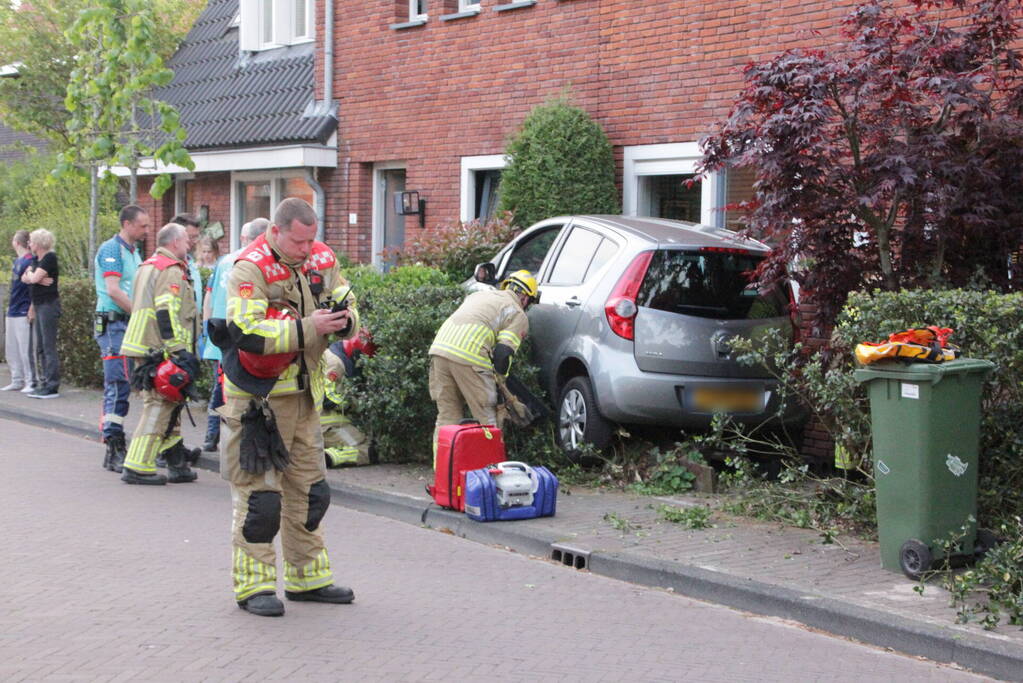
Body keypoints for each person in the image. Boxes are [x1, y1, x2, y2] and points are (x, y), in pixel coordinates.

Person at [215, 197, 357, 617]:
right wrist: (307, 328)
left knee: (311, 491)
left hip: (303, 397)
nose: (306, 249)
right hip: (258, 401)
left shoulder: (321, 257)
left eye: (311, 240)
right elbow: (246, 332)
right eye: (298, 241)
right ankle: (253, 587)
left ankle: (307, 578)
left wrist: (345, 321)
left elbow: (351, 302)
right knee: (261, 499)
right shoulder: (249, 268)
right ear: (275, 232)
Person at [427, 270, 538, 463]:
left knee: (447, 418)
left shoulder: (479, 295)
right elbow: (503, 353)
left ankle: (443, 475)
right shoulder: (518, 313)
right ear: (525, 297)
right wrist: (500, 382)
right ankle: (491, 472)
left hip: (439, 351)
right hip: (470, 356)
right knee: (488, 421)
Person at [119, 223, 200, 485]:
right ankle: (137, 464)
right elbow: (166, 312)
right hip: (159, 348)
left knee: (171, 405)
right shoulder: (170, 270)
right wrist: (178, 350)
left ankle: (177, 463)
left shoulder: (148, 266)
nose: (190, 245)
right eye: (187, 241)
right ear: (175, 242)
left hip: (145, 344)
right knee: (158, 406)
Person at [200, 218, 268, 452]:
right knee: (237, 389)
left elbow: (209, 297)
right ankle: (231, 439)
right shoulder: (257, 262)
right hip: (240, 336)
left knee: (220, 386)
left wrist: (205, 328)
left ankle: (212, 436)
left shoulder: (225, 261)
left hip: (219, 336)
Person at [94, 205, 148, 472]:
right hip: (113, 324)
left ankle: (114, 443)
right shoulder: (112, 250)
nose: (146, 231)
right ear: (127, 224)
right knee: (117, 383)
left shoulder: (133, 252)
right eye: (142, 226)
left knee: (122, 383)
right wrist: (140, 314)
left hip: (124, 324)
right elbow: (113, 291)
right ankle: (114, 445)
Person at [320, 330, 377, 468]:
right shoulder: (335, 362)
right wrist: (355, 403)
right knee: (368, 450)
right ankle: (327, 458)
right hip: (325, 424)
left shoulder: (342, 357)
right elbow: (326, 399)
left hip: (330, 422)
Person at [21, 228, 60, 399]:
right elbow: (25, 277)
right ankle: (44, 381)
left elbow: (33, 278)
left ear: (38, 243)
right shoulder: (37, 259)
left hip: (48, 305)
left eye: (31, 241)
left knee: (48, 346)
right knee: (40, 347)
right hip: (38, 304)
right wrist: (33, 276)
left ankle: (52, 385)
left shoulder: (50, 258)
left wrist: (34, 277)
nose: (29, 244)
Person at [3, 231, 37, 393]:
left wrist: (31, 307)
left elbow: (33, 287)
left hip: (23, 309)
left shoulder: (30, 261)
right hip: (13, 309)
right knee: (12, 348)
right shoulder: (18, 261)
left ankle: (31, 380)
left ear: (16, 242)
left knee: (26, 348)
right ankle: (17, 379)